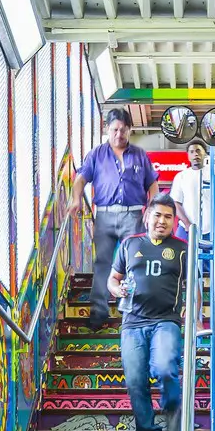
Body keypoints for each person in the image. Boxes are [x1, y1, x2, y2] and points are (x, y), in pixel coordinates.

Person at [107, 194, 186, 431]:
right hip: (132, 323)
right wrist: (116, 289)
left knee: (164, 368)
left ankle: (173, 408)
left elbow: (193, 285)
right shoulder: (130, 245)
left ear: (174, 221)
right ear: (147, 216)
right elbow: (113, 278)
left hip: (166, 321)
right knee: (135, 380)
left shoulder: (183, 248)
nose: (162, 221)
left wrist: (195, 316)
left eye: (168, 217)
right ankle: (148, 430)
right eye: (157, 215)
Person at [77, 107, 159, 329]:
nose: (119, 134)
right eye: (114, 129)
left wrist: (152, 207)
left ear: (130, 130)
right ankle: (98, 314)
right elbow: (81, 179)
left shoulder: (140, 155)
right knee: (102, 263)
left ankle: (132, 312)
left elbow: (152, 183)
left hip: (133, 216)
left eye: (123, 130)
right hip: (104, 217)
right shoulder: (96, 154)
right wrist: (75, 199)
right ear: (107, 129)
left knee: (135, 262)